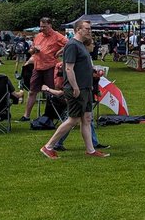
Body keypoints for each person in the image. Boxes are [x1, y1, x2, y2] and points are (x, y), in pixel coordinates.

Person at [41, 20, 107, 159]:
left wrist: (93, 71)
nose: (89, 31)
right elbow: (68, 68)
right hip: (76, 88)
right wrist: (75, 87)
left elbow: (79, 66)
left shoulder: (81, 45)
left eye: (90, 28)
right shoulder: (72, 45)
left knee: (87, 118)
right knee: (73, 119)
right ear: (78, 30)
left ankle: (90, 150)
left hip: (86, 87)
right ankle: (48, 146)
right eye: (87, 29)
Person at [20, 17, 68, 122]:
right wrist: (33, 50)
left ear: (50, 25)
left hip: (50, 67)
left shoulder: (57, 36)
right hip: (37, 67)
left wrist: (60, 51)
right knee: (32, 91)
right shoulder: (38, 36)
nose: (42, 28)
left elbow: (69, 44)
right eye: (41, 26)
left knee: (50, 92)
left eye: (44, 26)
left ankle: (49, 115)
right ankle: (26, 115)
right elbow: (30, 51)